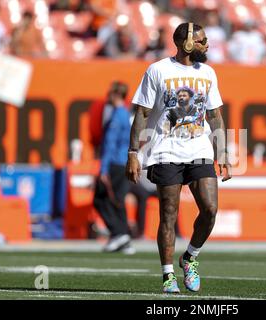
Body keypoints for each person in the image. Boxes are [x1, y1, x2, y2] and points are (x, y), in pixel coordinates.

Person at [126, 22, 232, 293]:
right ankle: (168, 275)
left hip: (199, 150)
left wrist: (223, 152)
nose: (206, 44)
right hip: (166, 150)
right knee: (169, 214)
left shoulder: (208, 72)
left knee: (210, 209)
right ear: (186, 44)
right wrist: (133, 153)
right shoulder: (158, 70)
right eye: (201, 40)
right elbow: (142, 114)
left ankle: (190, 257)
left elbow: (214, 116)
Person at [93, 81, 135, 254]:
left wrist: (103, 169)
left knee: (100, 199)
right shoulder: (125, 114)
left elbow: (110, 144)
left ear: (116, 95)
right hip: (123, 161)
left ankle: (119, 233)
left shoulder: (117, 116)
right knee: (118, 201)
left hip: (115, 164)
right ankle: (123, 238)